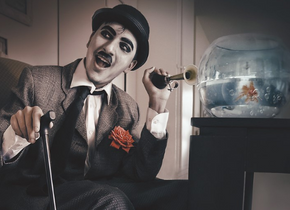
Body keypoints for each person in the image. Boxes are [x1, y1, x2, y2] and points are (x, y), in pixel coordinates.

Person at [0, 4, 188, 210]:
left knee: (185, 192)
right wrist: (15, 134)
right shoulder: (36, 80)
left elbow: (141, 173)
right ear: (90, 39)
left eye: (124, 47)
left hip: (99, 188)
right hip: (39, 194)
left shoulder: (127, 107)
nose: (109, 48)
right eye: (106, 34)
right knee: (111, 199)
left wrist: (157, 103)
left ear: (130, 66)